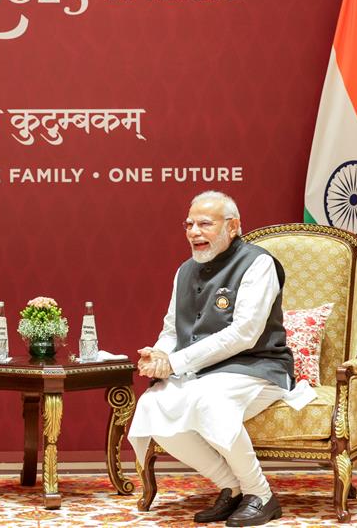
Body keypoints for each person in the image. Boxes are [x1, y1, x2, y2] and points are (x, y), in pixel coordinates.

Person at [128, 191, 305, 527]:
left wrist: (176, 363)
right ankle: (232, 487)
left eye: (205, 224)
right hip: (203, 370)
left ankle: (262, 495)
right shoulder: (184, 271)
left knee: (211, 401)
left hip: (257, 367)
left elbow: (244, 334)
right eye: (189, 224)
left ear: (233, 226)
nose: (194, 231)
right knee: (154, 405)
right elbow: (172, 329)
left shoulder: (258, 263)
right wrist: (159, 354)